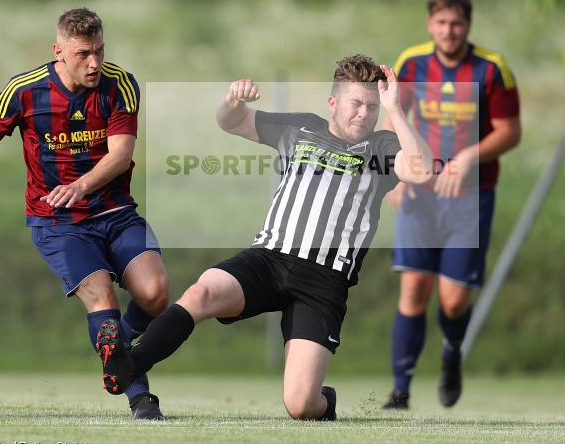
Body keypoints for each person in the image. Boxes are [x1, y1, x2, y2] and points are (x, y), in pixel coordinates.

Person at [92, 54, 434, 420]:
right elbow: (232, 121)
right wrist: (233, 101)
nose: (364, 114)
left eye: (370, 106)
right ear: (333, 103)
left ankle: (325, 401)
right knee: (202, 292)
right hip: (269, 259)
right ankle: (131, 364)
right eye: (356, 104)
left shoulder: (381, 147)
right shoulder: (301, 128)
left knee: (301, 405)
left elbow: (423, 170)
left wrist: (394, 108)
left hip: (323, 280)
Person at [0, 8, 170, 420]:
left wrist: (81, 185)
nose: (94, 62)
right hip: (58, 223)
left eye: (99, 51)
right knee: (104, 306)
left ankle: (121, 355)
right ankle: (139, 398)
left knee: (155, 293)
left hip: (115, 212)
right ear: (58, 51)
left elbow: (121, 154)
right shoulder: (24, 90)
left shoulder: (120, 85)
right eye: (82, 54)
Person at [382, 0, 521, 410]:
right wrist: (396, 177)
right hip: (421, 196)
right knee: (413, 291)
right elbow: (393, 119)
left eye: (456, 23)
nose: (449, 31)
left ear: (468, 25)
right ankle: (400, 389)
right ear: (430, 24)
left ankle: (451, 353)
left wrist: (468, 158)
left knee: (454, 300)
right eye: (441, 23)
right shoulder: (411, 63)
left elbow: (510, 130)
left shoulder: (492, 69)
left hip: (470, 198)